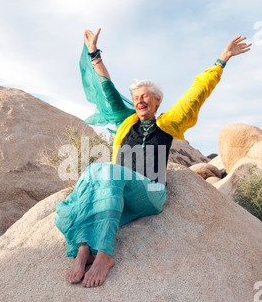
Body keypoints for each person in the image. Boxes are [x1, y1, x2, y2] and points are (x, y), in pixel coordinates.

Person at [55, 29, 251, 288]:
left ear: (157, 100)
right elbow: (107, 90)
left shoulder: (167, 124)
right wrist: (94, 53)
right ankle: (83, 249)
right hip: (118, 191)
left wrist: (222, 59)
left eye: (145, 96)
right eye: (136, 97)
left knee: (109, 173)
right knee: (93, 172)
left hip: (150, 192)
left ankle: (104, 253)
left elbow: (196, 93)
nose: (139, 100)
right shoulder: (126, 121)